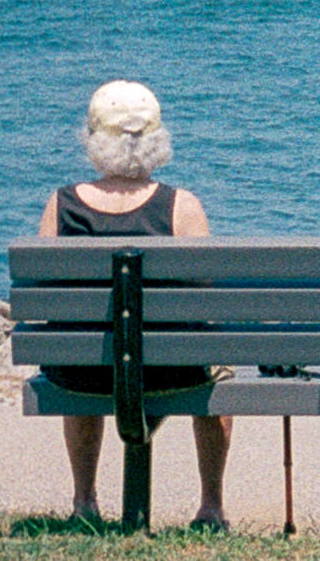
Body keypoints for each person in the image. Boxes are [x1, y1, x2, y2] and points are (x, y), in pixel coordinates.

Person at [36, 79, 231, 528]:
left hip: (84, 372)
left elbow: (46, 293)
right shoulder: (182, 206)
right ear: (156, 139)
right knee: (217, 366)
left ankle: (85, 503)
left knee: (80, 350)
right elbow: (207, 300)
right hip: (171, 373)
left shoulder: (61, 204)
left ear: (93, 138)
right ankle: (211, 507)